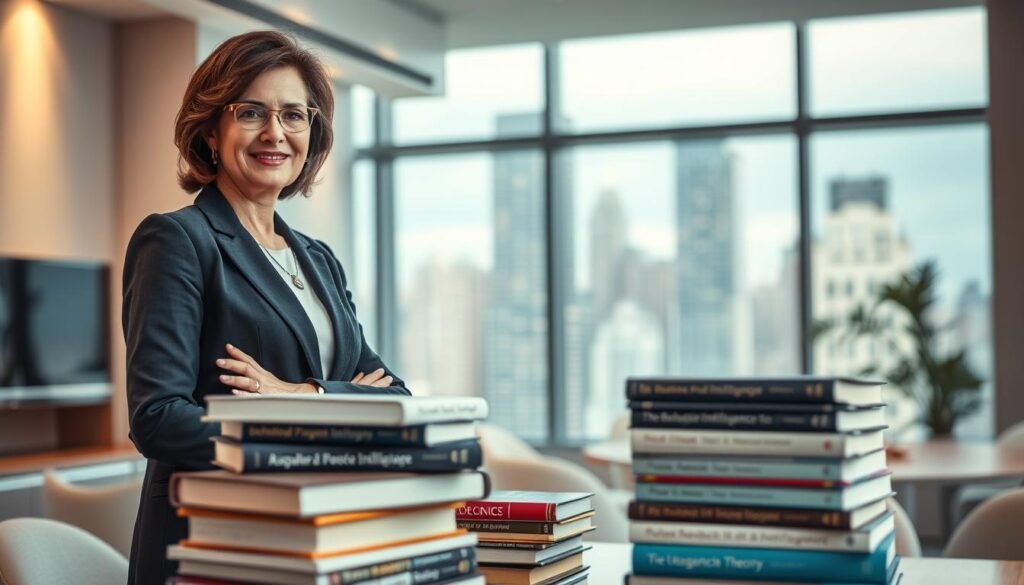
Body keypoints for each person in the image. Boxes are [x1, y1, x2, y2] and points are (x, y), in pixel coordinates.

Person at [122, 30, 410, 584]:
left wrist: (301, 395)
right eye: (251, 112)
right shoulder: (178, 241)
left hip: (321, 540)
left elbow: (394, 399)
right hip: (216, 546)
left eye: (294, 116)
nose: (275, 133)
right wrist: (317, 425)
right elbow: (158, 420)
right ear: (211, 129)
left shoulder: (318, 260)